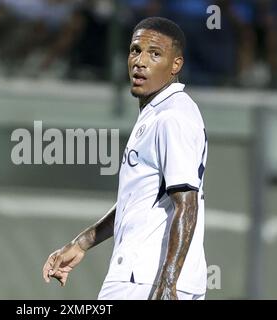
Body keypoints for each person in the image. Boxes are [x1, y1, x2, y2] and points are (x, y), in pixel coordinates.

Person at [42, 17, 208, 300]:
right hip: (152, 278)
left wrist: (167, 284)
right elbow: (139, 200)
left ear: (175, 65)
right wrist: (81, 243)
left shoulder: (172, 118)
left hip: (145, 279)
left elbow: (186, 204)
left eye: (155, 53)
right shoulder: (159, 112)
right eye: (135, 50)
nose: (140, 61)